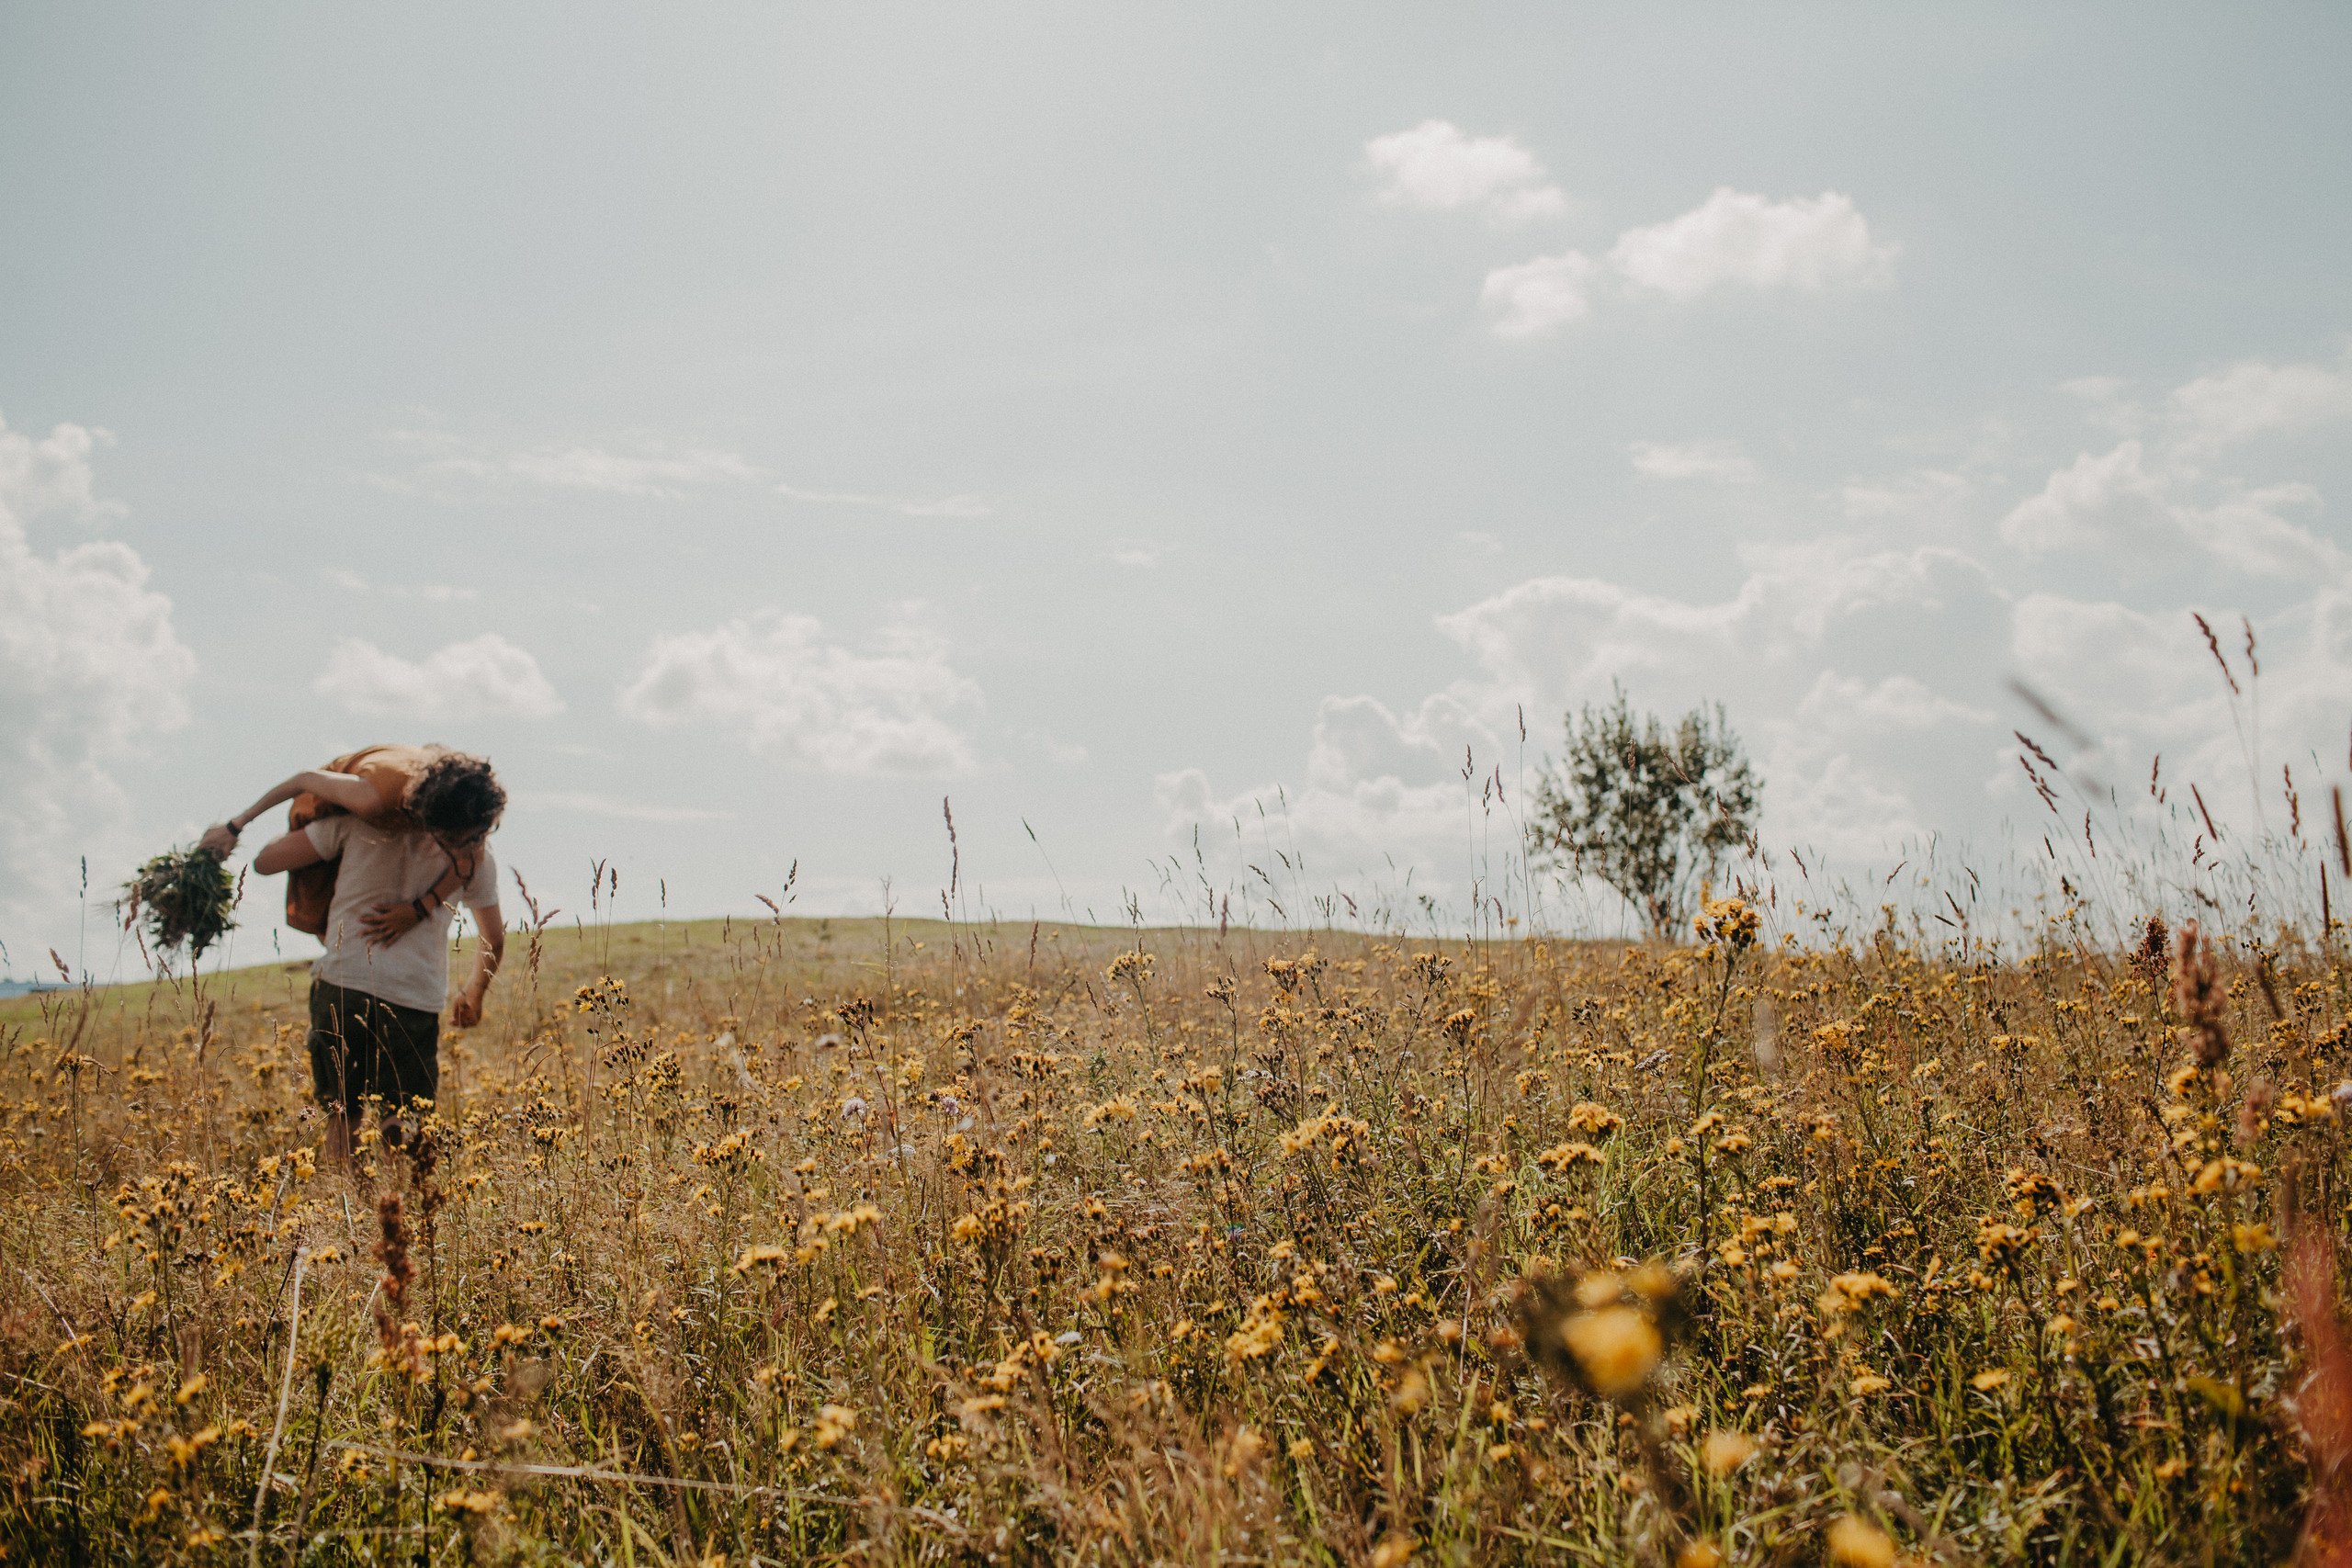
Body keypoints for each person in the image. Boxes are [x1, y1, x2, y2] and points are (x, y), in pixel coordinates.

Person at [200, 748, 507, 1166]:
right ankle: (402, 1205)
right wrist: (474, 993)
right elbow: (494, 938)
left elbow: (266, 863)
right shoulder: (475, 857)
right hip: (414, 995)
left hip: (342, 985)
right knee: (406, 1116)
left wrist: (314, 829)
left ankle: (345, 1204)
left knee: (342, 1112)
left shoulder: (351, 825)